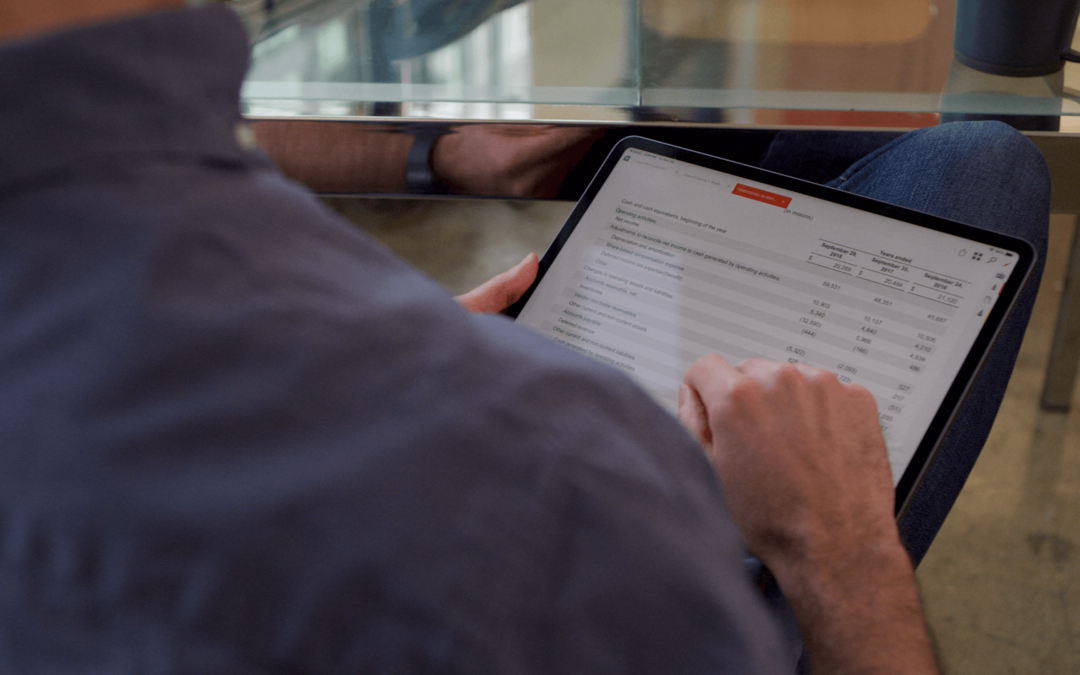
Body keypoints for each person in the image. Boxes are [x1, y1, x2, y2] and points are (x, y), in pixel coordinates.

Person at [0, 1, 1048, 673]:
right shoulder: (545, 478)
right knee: (980, 166)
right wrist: (842, 553)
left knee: (833, 157)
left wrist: (390, 373)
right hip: (711, 583)